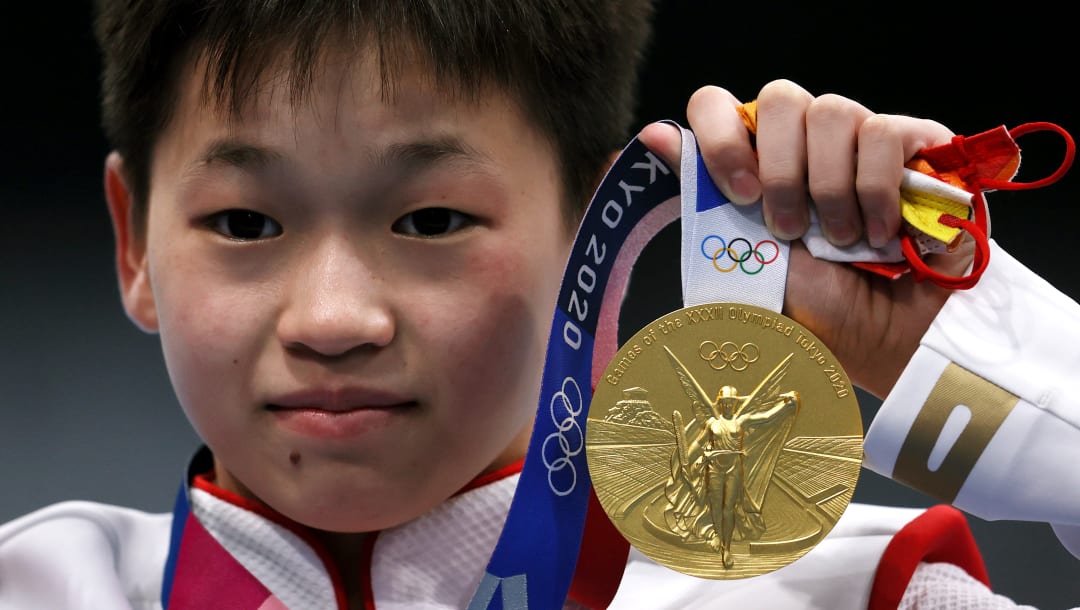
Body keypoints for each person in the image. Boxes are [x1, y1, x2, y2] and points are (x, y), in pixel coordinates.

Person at [0, 1, 1076, 609]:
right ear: (134, 240)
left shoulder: (851, 600)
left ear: (588, 230)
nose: (331, 315)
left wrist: (1013, 390)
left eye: (429, 221)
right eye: (244, 224)